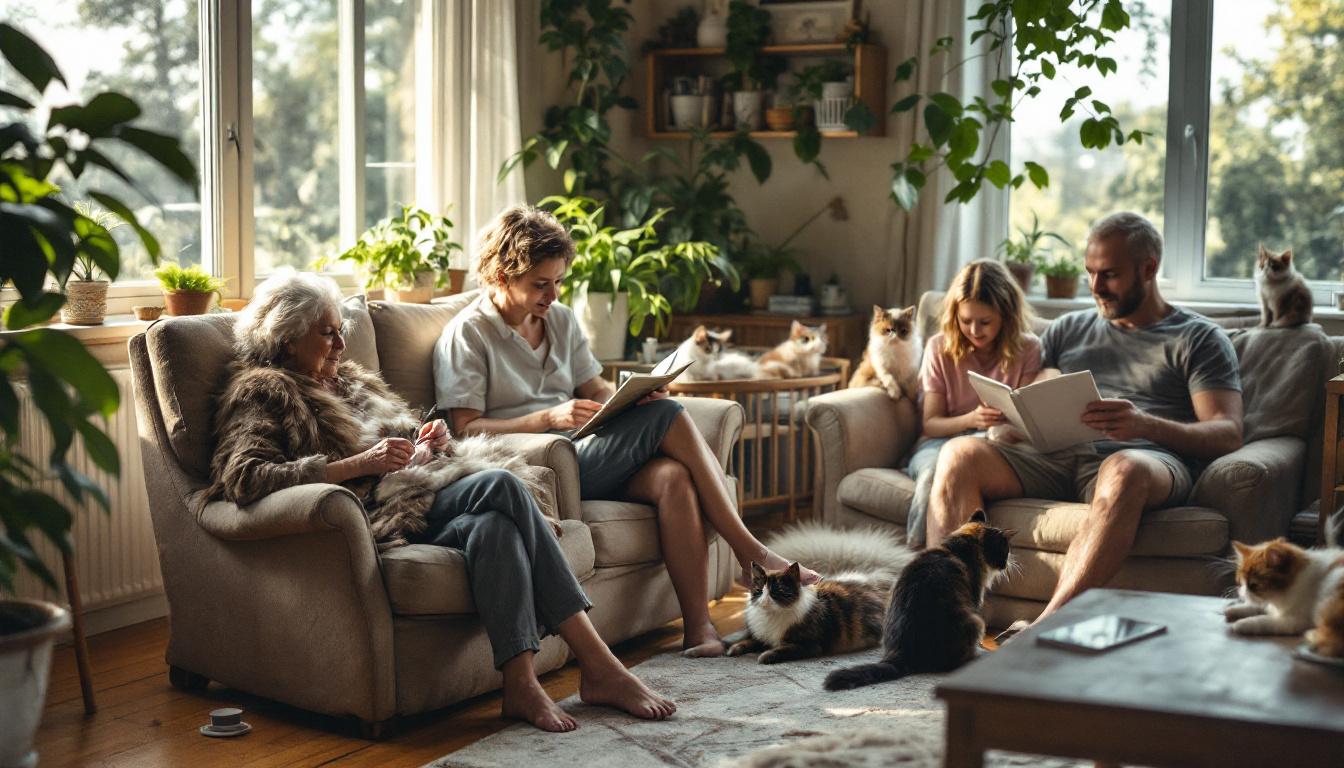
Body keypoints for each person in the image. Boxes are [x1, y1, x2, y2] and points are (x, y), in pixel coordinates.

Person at [208, 269, 674, 733]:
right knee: (505, 486)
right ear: (287, 339)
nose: (341, 346)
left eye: (341, 332)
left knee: (497, 528)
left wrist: (428, 444)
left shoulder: (350, 380)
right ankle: (600, 665)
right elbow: (244, 478)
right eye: (328, 334)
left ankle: (520, 685)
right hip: (378, 515)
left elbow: (398, 443)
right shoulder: (265, 391)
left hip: (422, 492)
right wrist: (356, 466)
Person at [434, 205, 819, 659]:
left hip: (586, 452)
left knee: (672, 477)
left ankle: (698, 628)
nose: (553, 294)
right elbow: (463, 429)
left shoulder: (559, 320)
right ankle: (750, 551)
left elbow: (593, 386)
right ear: (501, 274)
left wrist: (631, 396)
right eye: (540, 284)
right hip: (532, 466)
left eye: (559, 281)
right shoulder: (469, 335)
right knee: (671, 414)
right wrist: (547, 418)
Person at [926, 212, 1244, 634]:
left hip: (1144, 458)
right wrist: (1019, 413)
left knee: (1124, 468)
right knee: (959, 453)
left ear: (1149, 269)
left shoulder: (1199, 338)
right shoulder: (1069, 329)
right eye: (1090, 273)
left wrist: (1145, 424)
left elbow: (1227, 431)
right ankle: (946, 622)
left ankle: (1044, 626)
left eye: (1109, 275)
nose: (1094, 288)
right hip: (1055, 455)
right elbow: (1037, 391)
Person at [905, 259, 1041, 548]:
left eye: (985, 322)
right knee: (934, 473)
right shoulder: (940, 347)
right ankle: (923, 557)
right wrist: (972, 419)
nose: (975, 330)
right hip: (938, 442)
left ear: (1006, 316)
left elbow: (1028, 419)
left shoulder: (1028, 348)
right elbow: (931, 423)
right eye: (965, 321)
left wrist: (1001, 424)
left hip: (996, 445)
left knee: (963, 466)